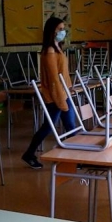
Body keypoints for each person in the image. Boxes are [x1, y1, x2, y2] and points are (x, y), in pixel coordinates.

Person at [21, 17, 77, 169]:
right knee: (49, 127)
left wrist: (70, 88)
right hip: (55, 97)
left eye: (63, 29)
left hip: (63, 94)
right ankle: (29, 154)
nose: (62, 32)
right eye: (59, 29)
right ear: (51, 31)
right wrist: (61, 102)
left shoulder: (58, 47)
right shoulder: (50, 52)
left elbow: (63, 74)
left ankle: (76, 158)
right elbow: (54, 81)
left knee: (71, 126)